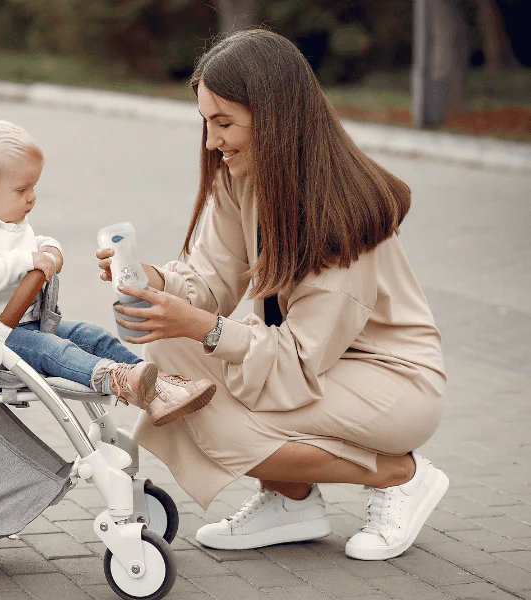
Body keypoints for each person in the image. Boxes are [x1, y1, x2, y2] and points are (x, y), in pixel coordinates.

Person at [96, 29, 448, 561]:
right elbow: (211, 284)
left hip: (390, 379)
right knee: (169, 357)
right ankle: (293, 501)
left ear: (274, 117)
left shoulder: (341, 216)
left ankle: (401, 474)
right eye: (206, 122)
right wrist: (156, 281)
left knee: (216, 418)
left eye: (224, 123)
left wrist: (202, 329)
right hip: (312, 362)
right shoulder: (241, 177)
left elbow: (296, 361)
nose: (212, 141)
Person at [0, 119, 216, 425]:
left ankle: (160, 389)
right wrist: (26, 260)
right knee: (52, 350)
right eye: (22, 189)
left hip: (26, 326)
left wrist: (50, 247)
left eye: (34, 187)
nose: (31, 197)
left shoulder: (5, 218)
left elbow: (34, 242)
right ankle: (114, 379)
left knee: (91, 336)